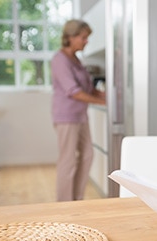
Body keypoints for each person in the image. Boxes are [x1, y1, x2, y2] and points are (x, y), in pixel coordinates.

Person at [51, 20, 105, 201]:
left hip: (81, 116)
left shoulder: (76, 60)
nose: (86, 41)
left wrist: (108, 98)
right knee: (68, 160)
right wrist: (101, 101)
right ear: (70, 37)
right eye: (83, 37)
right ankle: (65, 203)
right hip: (66, 117)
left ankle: (77, 199)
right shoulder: (60, 59)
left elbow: (88, 89)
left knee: (87, 155)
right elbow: (73, 91)